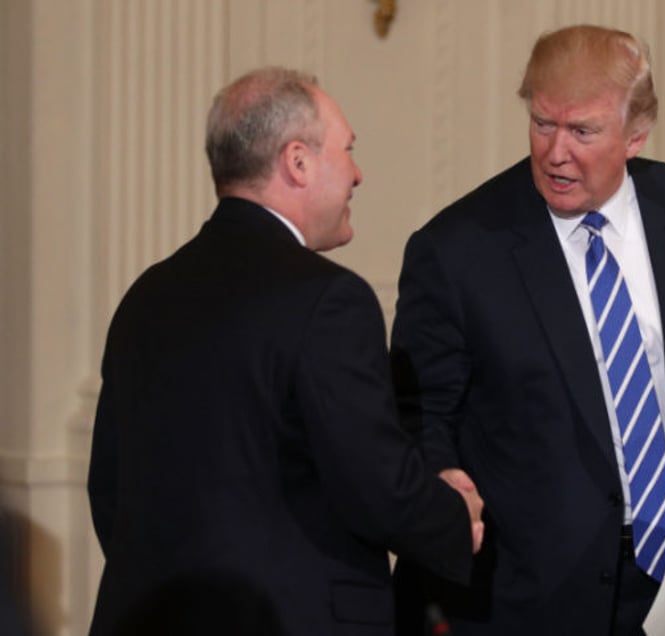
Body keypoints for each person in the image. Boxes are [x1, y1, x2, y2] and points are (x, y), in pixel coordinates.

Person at [391, 25, 665, 635]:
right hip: (520, 597)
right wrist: (441, 479)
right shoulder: (457, 250)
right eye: (543, 123)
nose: (555, 152)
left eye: (583, 131)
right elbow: (421, 411)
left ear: (636, 136)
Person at [87, 66, 484, 636]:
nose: (357, 174)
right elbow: (374, 485)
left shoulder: (147, 294)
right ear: (297, 162)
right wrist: (454, 515)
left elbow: (110, 491)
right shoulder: (328, 299)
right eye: (347, 151)